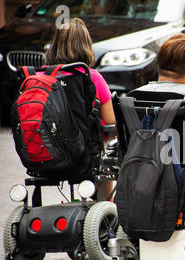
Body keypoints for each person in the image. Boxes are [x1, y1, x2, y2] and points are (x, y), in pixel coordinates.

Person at [45, 17, 116, 199]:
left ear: (54, 45)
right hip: (85, 156)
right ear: (86, 45)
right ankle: (106, 207)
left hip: (47, 154)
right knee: (106, 159)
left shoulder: (40, 76)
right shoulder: (91, 77)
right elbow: (111, 120)